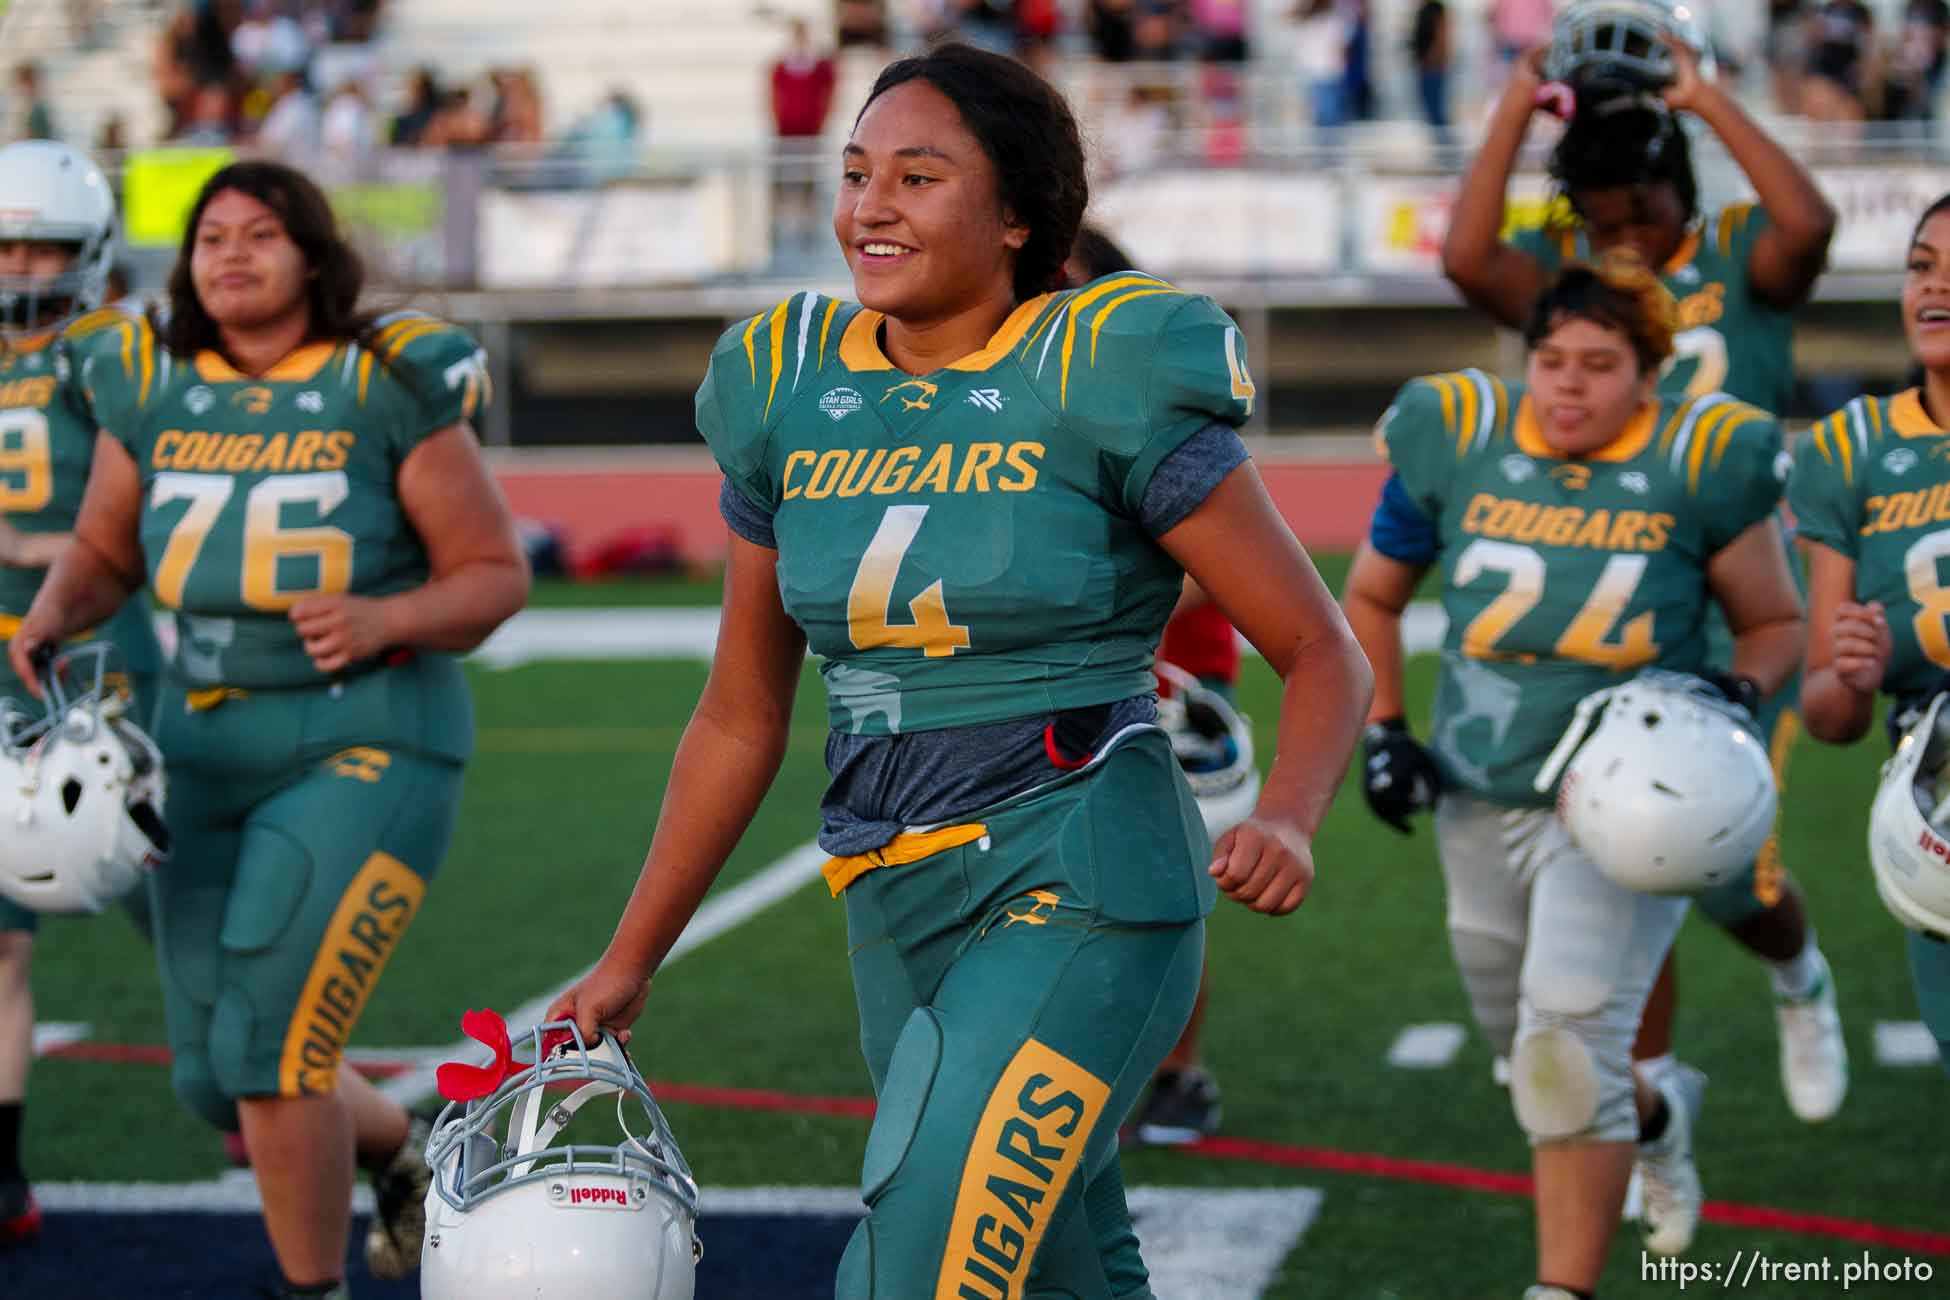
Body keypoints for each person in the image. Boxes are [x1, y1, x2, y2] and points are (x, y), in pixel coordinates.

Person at [547, 42, 1370, 1298]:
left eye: (919, 178)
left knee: (920, 1257)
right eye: (857, 172)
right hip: (890, 887)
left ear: (1018, 214)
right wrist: (631, 953)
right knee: (1061, 1266)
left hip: (1080, 870)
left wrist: (1295, 816)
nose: (870, 207)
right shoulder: (787, 382)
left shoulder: (1102, 366)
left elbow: (1321, 647)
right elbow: (738, 713)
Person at [7, 160, 529, 1300]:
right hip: (194, 745)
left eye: (260, 233)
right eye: (211, 238)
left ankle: (309, 1288)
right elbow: (104, 551)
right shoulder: (146, 377)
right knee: (213, 1075)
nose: (232, 254)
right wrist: (54, 612)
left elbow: (494, 576)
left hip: (365, 738)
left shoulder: (386, 375)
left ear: (311, 254)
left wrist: (389, 612)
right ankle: (408, 1156)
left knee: (270, 1051)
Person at [1344, 255, 1805, 1294]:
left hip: (1618, 799)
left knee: (1564, 1043)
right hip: (1476, 784)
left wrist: (1733, 691)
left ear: (1651, 376)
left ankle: (1562, 1286)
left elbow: (1775, 623)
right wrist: (1385, 727)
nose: (1567, 384)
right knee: (1525, 1045)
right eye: (1551, 358)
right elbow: (1371, 597)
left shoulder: (1700, 456)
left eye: (1600, 364)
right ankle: (1655, 1110)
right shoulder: (1457, 433)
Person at [1440, 25, 1847, 1130]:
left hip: (1731, 583)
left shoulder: (1735, 258)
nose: (1620, 242)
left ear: (1681, 191)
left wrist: (1705, 100)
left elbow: (1809, 222)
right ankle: (1644, 1089)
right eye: (1601, 222)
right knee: (1620, 845)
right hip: (1614, 574)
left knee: (1726, 875)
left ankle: (1800, 974)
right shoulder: (1574, 292)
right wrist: (1518, 105)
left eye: (1641, 216)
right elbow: (1469, 257)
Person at [0, 140, 162, 1248]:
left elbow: (167, 513)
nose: (19, 265)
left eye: (41, 244)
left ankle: (269, 1079)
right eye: (4, 243)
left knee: (183, 902)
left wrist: (33, 541)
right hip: (1, 668)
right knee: (3, 938)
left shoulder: (112, 351)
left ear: (88, 249)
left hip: (104, 659)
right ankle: (4, 1171)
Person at [1062, 223, 1242, 1146]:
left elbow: (1226, 566)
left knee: (1159, 876)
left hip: (1167, 668)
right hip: (1060, 670)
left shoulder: (1149, 391)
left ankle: (1179, 1072)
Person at [1792, 191, 1950, 1082]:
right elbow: (1827, 712)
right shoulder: (1849, 449)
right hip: (1940, 803)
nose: (1935, 288)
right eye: (1922, 265)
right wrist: (1849, 675)